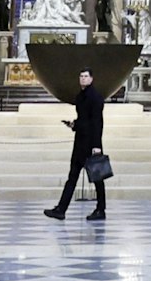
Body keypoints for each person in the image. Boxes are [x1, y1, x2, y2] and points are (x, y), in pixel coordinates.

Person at [46, 72, 110, 221]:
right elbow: (84, 120)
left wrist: (97, 145)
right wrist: (74, 124)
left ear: (92, 79)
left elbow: (97, 123)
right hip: (80, 142)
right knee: (73, 177)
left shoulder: (95, 97)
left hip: (90, 144)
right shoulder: (80, 97)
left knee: (97, 178)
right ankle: (61, 209)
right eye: (81, 76)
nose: (83, 79)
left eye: (86, 76)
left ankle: (101, 209)